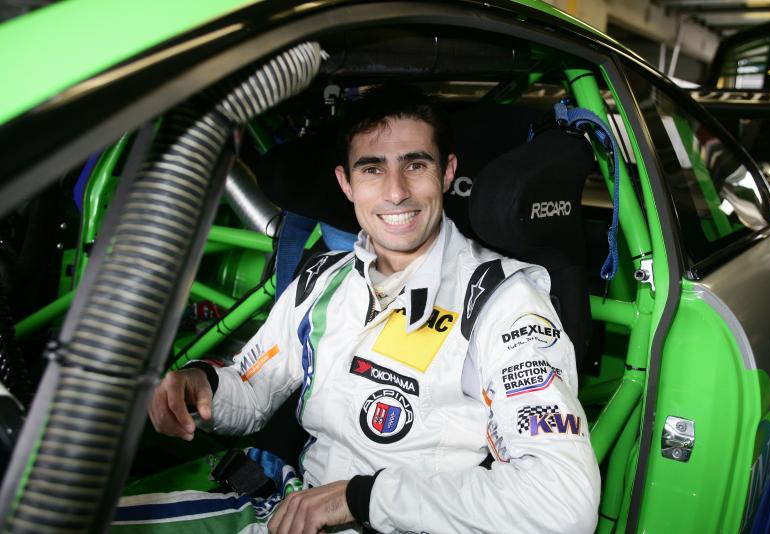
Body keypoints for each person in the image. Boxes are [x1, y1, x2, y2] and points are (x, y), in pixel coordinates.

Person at [148, 84, 601, 533]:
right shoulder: (323, 278)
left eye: (415, 165)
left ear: (447, 173)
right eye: (372, 169)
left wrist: (360, 499)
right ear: (346, 183)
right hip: (291, 506)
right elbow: (252, 391)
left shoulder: (502, 302)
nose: (396, 191)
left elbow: (561, 503)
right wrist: (200, 387)